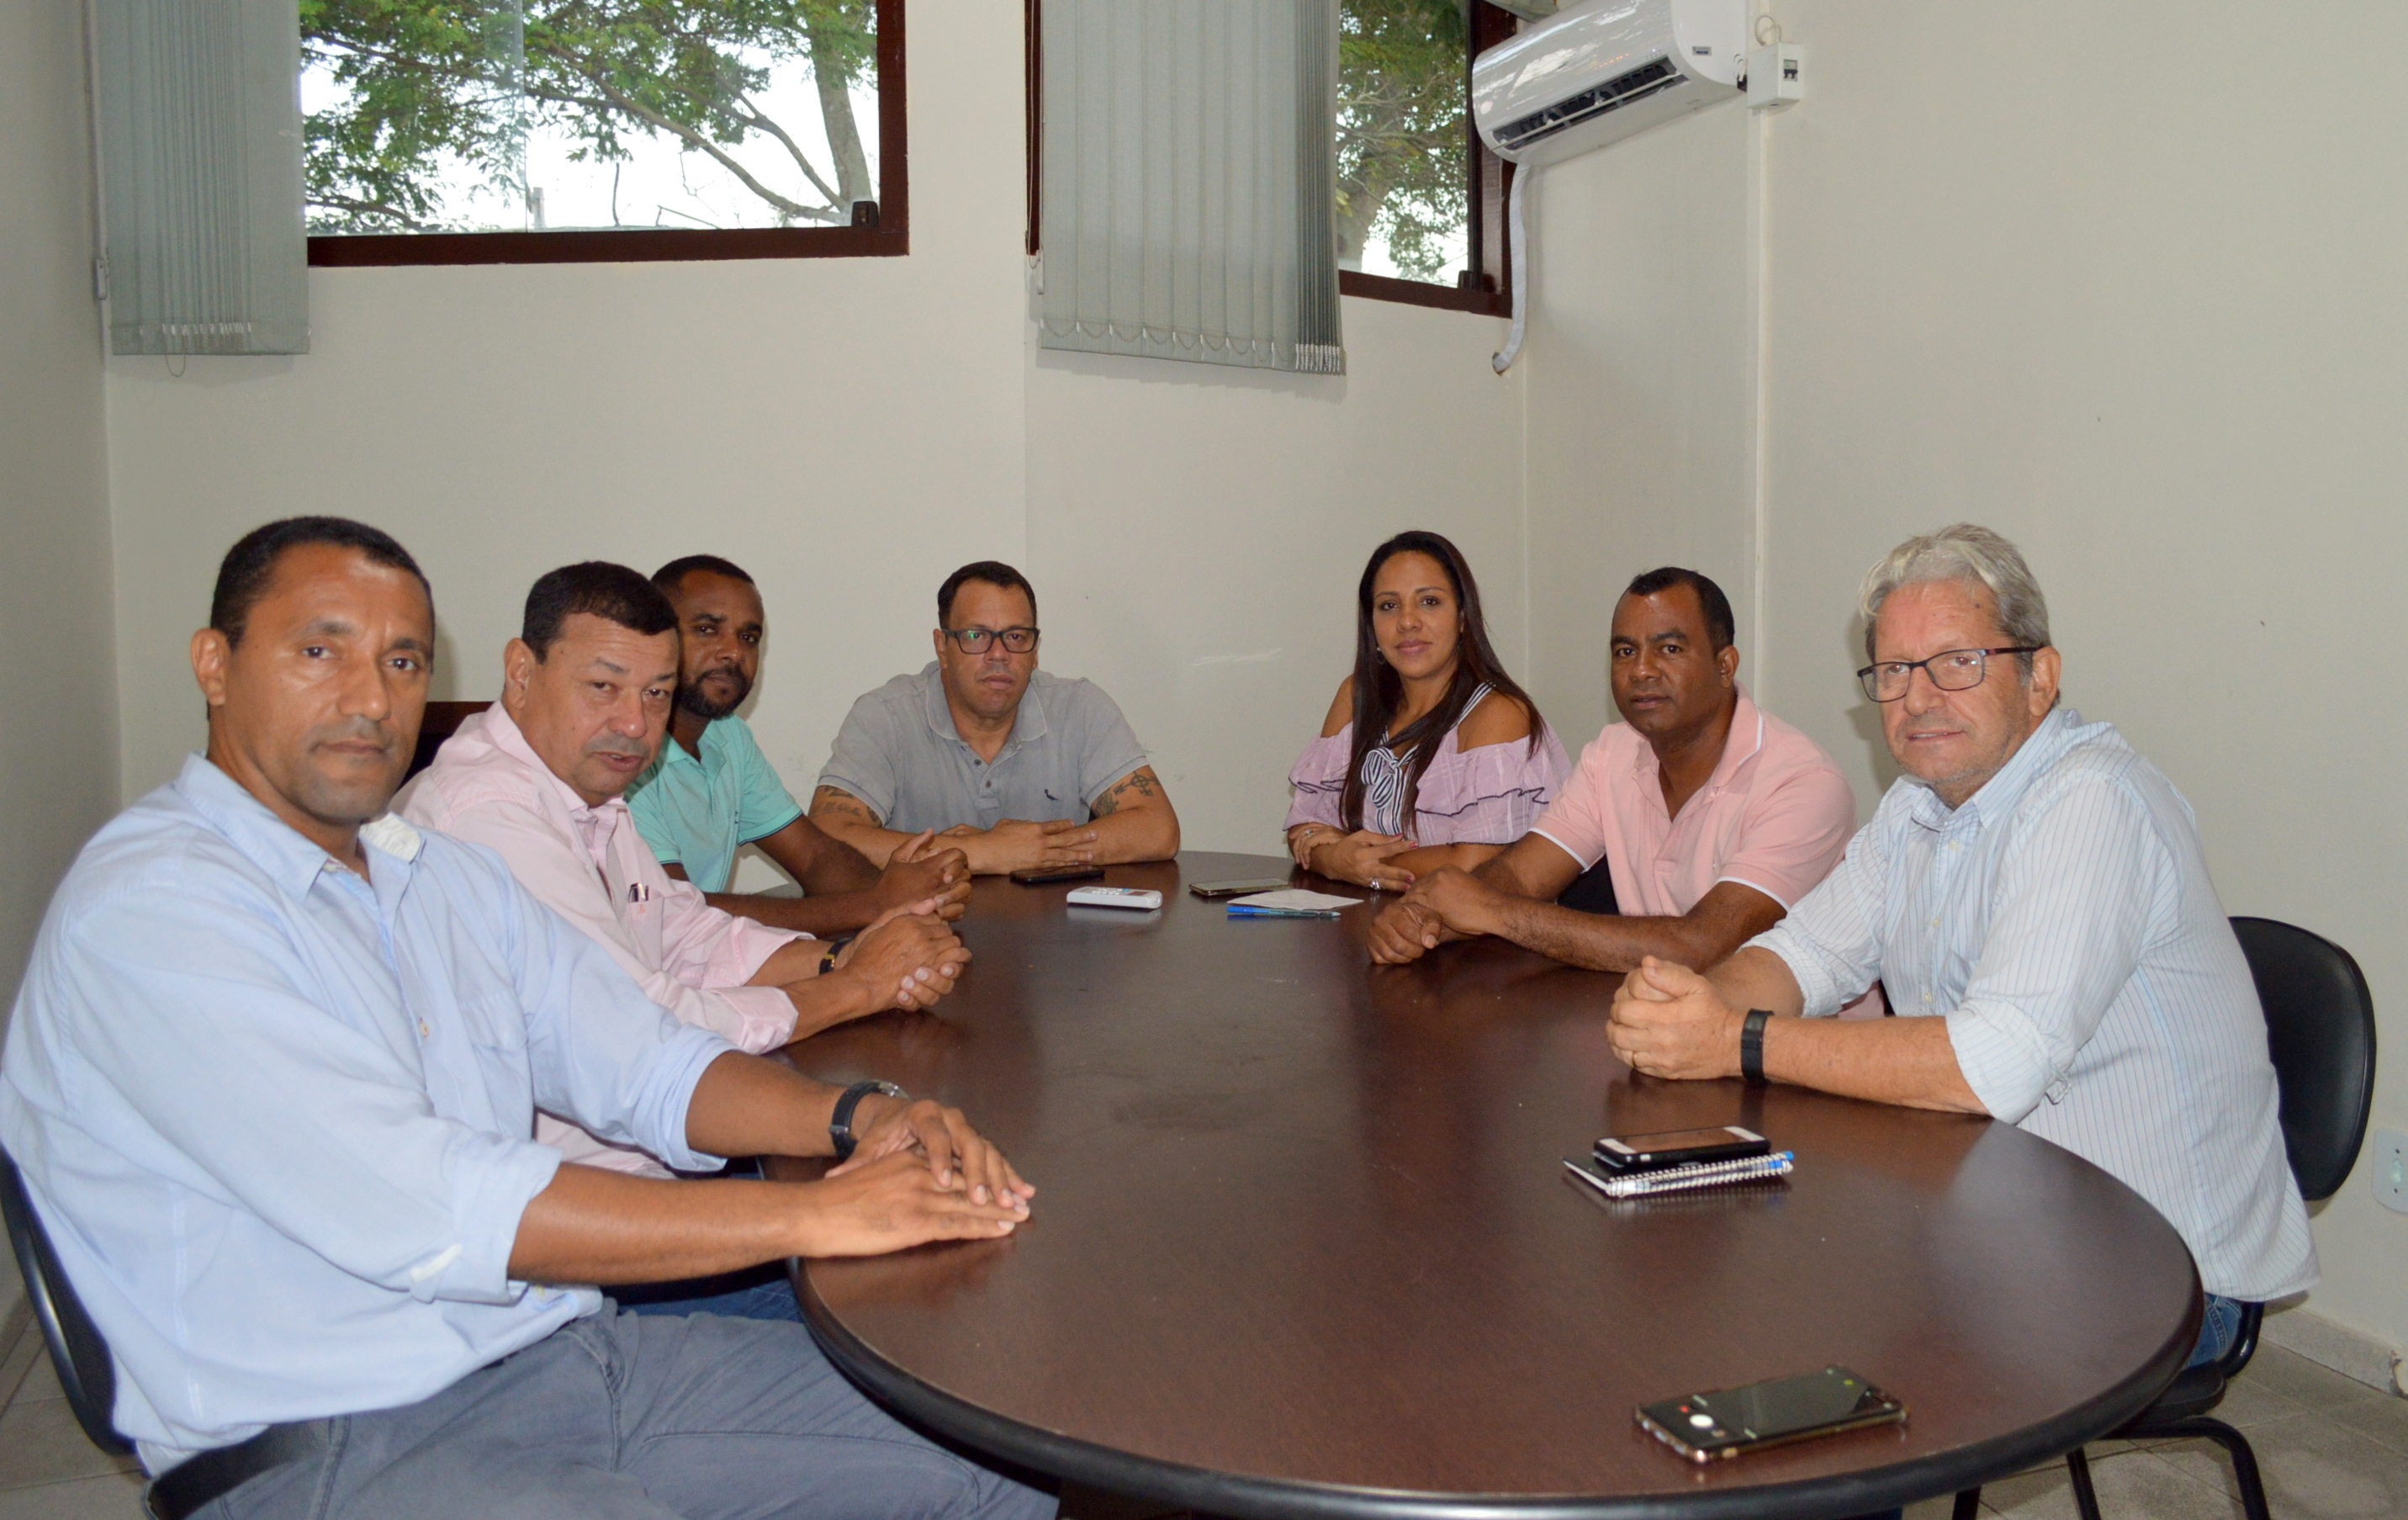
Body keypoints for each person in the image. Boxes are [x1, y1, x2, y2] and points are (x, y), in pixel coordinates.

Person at [0, 517, 1045, 1520]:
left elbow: (649, 1064)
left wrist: (861, 1118)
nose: (369, 697)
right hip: (334, 1439)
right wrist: (817, 1213)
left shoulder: (437, 878)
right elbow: (433, 1201)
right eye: (322, 650)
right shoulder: (158, 904)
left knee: (1003, 1461)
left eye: (403, 662)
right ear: (214, 665)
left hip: (558, 1357)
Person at [1606, 525, 2315, 1361]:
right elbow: (1803, 956)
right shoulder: (1916, 807)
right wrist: (1687, 1006)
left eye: (1958, 662)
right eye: (1895, 672)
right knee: (1710, 1264)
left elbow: (1989, 1064)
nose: (1919, 697)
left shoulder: (2092, 802)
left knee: (1796, 1318)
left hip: (2162, 1269)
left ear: (2039, 677)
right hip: (1999, 1204)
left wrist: (1734, 1038)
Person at [399, 563, 970, 1227]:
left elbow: (688, 931)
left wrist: (845, 957)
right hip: (579, 1234)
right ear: (521, 671)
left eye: (655, 694)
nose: (635, 724)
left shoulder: (587, 795)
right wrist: (860, 986)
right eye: (603, 687)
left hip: (648, 1184)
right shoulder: (488, 818)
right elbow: (648, 1032)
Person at [1369, 567, 1856, 973]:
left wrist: (1490, 911)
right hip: (1657, 1025)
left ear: (1725, 666)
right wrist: (1421, 920)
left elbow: (1702, 946)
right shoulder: (1612, 752)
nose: (1641, 670)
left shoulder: (1803, 783)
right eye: (1625, 651)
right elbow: (1521, 876)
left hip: (1792, 1051)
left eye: (1669, 649)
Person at [625, 554, 972, 935]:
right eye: (707, 629)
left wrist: (910, 895)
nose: (733, 652)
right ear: (655, 635)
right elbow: (674, 913)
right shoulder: (624, 751)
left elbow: (814, 857)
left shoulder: (728, 737)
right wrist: (875, 904)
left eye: (748, 637)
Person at [810, 560, 1180, 874]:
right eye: (976, 635)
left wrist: (1031, 851)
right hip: (923, 938)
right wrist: (984, 853)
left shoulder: (1081, 708)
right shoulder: (886, 716)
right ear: (943, 647)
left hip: (1055, 940)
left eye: (1016, 637)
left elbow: (1157, 828)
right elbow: (826, 838)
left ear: (1035, 651)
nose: (999, 654)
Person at [1284, 531, 1569, 892]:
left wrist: (1354, 861)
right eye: (1389, 605)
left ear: (1464, 618)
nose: (1407, 622)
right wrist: (1334, 860)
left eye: (1429, 602)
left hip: (1475, 941)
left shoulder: (1498, 714)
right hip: (1367, 924)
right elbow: (1305, 825)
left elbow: (1475, 863)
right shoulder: (1356, 695)